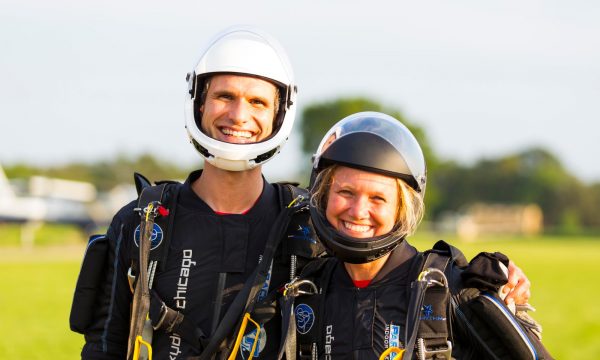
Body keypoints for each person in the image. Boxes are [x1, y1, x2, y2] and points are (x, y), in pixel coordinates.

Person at [70, 27, 530, 360]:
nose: (238, 114)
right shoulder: (142, 220)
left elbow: (392, 270)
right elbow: (102, 343)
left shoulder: (310, 224)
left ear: (279, 113)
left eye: (257, 102)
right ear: (199, 101)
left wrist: (482, 282)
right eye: (225, 96)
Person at [291, 111, 549, 359]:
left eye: (378, 198)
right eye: (346, 192)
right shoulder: (305, 289)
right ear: (322, 194)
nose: (358, 211)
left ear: (401, 209)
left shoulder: (448, 289)